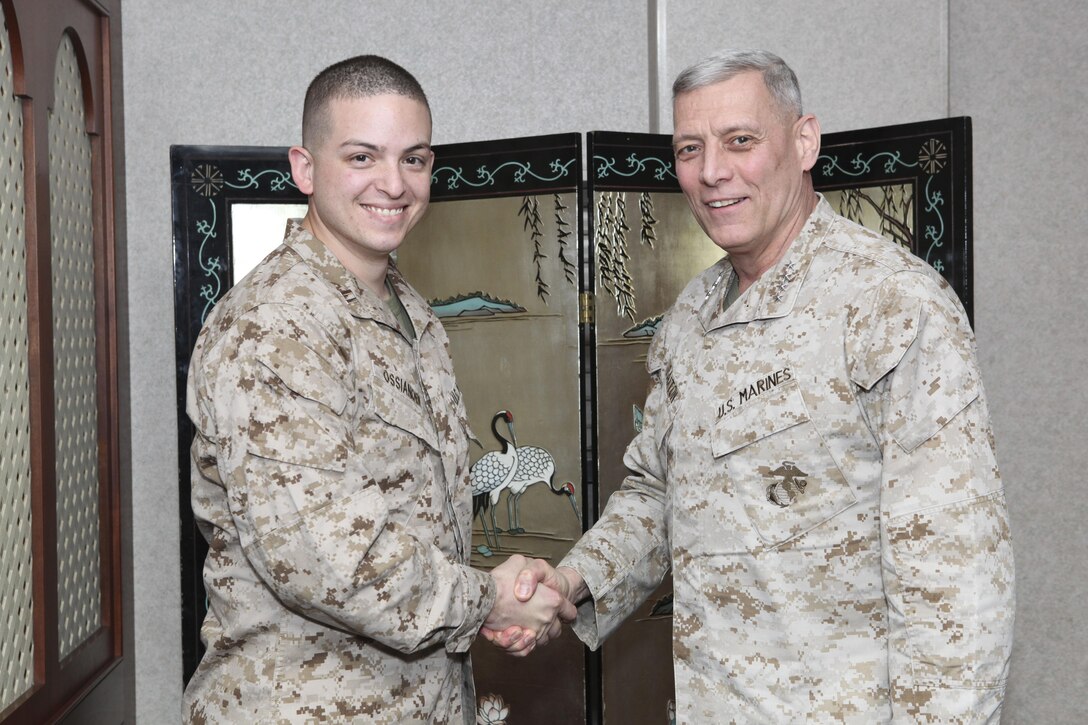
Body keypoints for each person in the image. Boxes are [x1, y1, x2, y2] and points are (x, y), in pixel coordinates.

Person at [490, 49, 1015, 722]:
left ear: (804, 141)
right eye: (689, 148)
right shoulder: (690, 319)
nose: (712, 172)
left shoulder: (889, 305)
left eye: (741, 140)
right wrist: (569, 581)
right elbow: (658, 493)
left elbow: (958, 576)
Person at [182, 55, 573, 724]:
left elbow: (422, 517)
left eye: (414, 159)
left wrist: (496, 593)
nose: (393, 184)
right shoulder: (277, 324)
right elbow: (330, 559)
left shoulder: (407, 307)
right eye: (362, 157)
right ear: (305, 167)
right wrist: (488, 599)